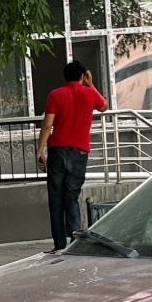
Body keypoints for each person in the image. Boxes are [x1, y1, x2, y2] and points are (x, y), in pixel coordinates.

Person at [36, 60, 107, 251]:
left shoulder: (55, 95)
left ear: (65, 77)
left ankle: (59, 244)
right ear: (82, 77)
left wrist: (39, 150)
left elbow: (47, 125)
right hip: (79, 152)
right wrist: (91, 85)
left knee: (56, 197)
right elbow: (104, 107)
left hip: (57, 151)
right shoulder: (90, 94)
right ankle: (75, 239)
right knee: (71, 196)